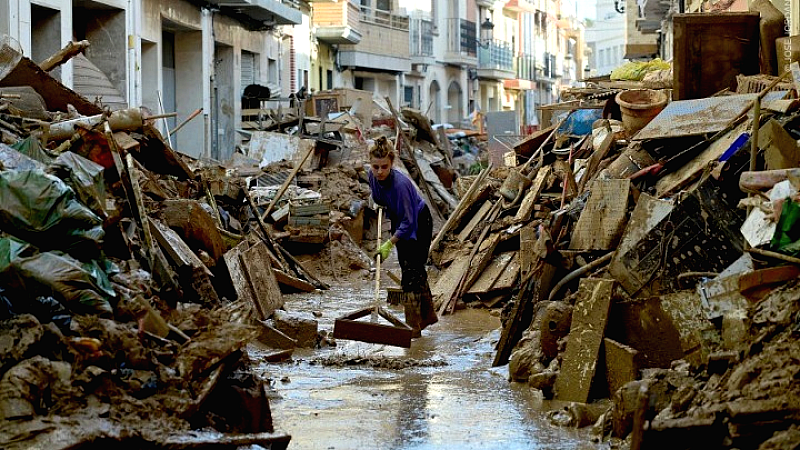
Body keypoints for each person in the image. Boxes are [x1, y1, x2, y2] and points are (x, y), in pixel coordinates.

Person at [368, 136, 438, 337]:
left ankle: (412, 328)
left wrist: (389, 243)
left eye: (384, 167)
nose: (379, 171)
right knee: (411, 268)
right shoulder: (372, 176)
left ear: (392, 164)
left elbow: (409, 222)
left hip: (418, 222)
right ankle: (428, 315)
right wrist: (377, 201)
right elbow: (377, 195)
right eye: (376, 167)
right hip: (400, 220)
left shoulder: (401, 185)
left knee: (411, 274)